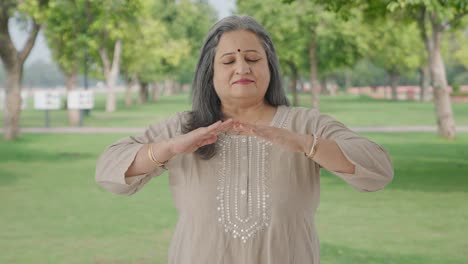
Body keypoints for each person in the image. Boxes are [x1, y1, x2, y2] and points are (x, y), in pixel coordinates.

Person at [95, 15, 393, 264]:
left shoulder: (305, 124)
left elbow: (378, 171)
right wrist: (169, 148)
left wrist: (305, 144)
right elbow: (109, 172)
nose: (242, 68)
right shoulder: (185, 127)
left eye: (252, 58)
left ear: (270, 68)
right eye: (228, 61)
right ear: (210, 73)